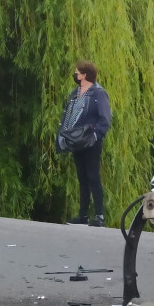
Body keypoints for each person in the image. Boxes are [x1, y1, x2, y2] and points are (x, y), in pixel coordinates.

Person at [59, 60, 112, 227]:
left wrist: (95, 135)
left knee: (93, 176)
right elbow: (68, 115)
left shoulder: (98, 93)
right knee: (82, 177)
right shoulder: (75, 93)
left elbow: (105, 119)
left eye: (77, 72)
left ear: (85, 75)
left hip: (91, 141)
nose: (75, 74)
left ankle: (99, 216)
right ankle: (83, 216)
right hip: (76, 140)